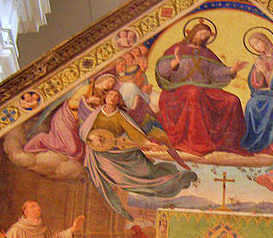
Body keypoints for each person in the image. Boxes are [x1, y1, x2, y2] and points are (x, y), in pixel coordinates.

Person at [79, 88, 197, 220]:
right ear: (105, 97)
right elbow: (84, 131)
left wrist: (149, 144)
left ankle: (171, 179)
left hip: (121, 151)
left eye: (116, 96)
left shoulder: (120, 116)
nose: (112, 97)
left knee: (146, 171)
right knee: (122, 180)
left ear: (119, 101)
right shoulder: (95, 114)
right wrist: (91, 136)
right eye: (110, 94)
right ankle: (161, 185)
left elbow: (135, 133)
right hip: (102, 155)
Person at [155, 21, 248, 155]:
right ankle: (197, 142)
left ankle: (229, 143)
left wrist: (232, 69)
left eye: (207, 36)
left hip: (205, 88)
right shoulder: (177, 49)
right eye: (202, 34)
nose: (204, 37)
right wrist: (175, 61)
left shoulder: (206, 53)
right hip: (179, 89)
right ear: (194, 33)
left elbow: (216, 71)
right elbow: (162, 70)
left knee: (232, 100)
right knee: (194, 92)